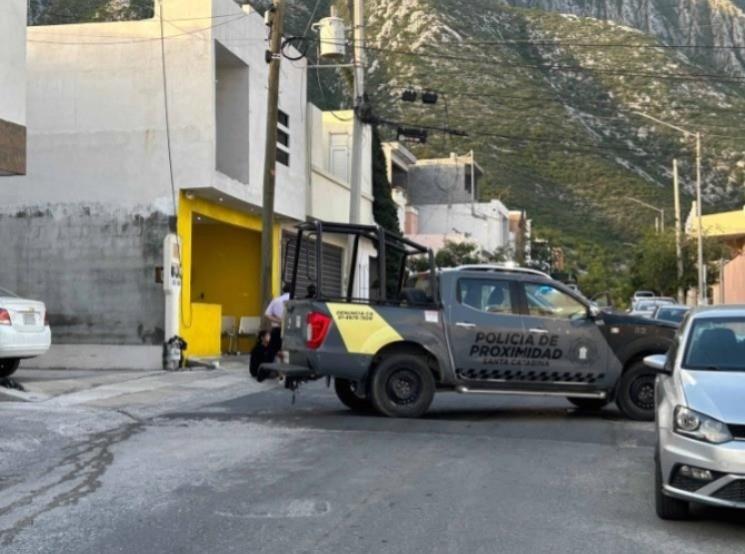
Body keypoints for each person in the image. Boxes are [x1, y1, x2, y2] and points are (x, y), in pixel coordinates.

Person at [264, 283, 291, 360]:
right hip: (291, 331)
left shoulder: (276, 300)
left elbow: (267, 314)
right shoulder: (296, 300)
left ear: (283, 290)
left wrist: (279, 321)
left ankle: (272, 369)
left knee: (273, 352)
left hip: (277, 329)